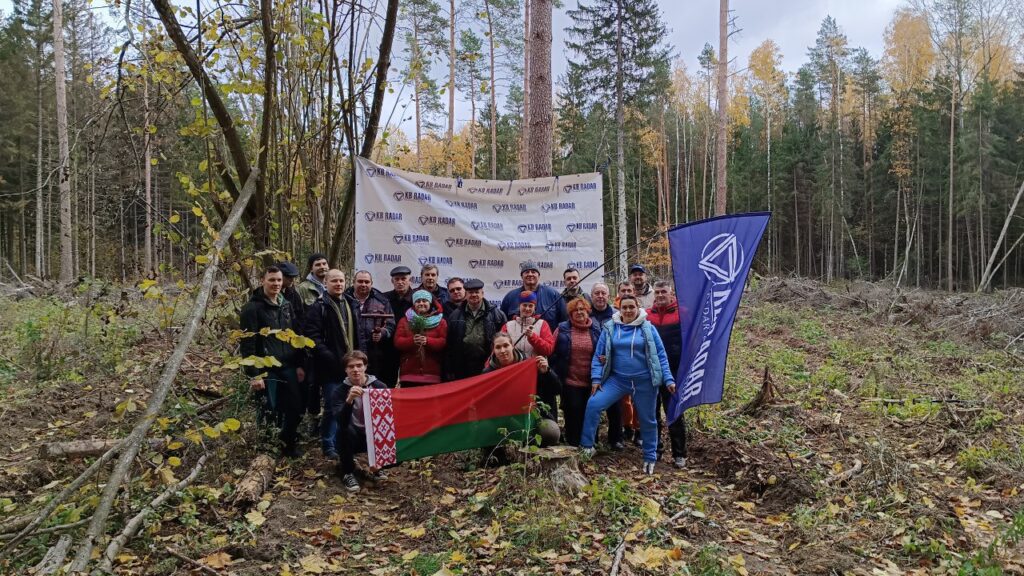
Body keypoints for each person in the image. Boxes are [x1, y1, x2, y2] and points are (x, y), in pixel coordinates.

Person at [580, 295, 676, 475]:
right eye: (624, 307)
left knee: (648, 420)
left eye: (632, 307)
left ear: (638, 307)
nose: (628, 310)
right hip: (617, 379)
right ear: (619, 308)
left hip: (644, 381)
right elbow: (599, 355)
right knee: (594, 404)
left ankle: (649, 456)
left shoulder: (648, 328)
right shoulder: (610, 328)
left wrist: (668, 378)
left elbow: (660, 355)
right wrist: (596, 379)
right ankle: (587, 446)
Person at [239, 266, 304, 457]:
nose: (276, 284)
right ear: (262, 280)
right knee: (268, 409)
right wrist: (254, 374)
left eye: (278, 280)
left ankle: (287, 444)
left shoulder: (286, 304)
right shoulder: (252, 308)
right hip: (266, 369)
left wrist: (300, 364)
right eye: (272, 280)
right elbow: (248, 344)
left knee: (295, 407)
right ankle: (267, 450)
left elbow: (294, 336)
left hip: (288, 365)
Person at [304, 269, 363, 460]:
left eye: (341, 280)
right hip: (331, 369)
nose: (338, 284)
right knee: (332, 407)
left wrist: (362, 360)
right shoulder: (319, 307)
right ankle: (328, 444)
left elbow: (359, 334)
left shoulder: (351, 304)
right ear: (326, 283)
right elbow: (313, 338)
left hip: (353, 366)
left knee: (351, 406)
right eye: (334, 281)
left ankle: (343, 442)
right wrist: (334, 359)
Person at [551, 297, 622, 448]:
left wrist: (605, 358)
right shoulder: (562, 328)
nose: (579, 312)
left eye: (582, 309)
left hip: (592, 380)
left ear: (588, 311)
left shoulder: (596, 329)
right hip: (569, 380)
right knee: (573, 411)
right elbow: (551, 350)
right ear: (570, 313)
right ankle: (573, 444)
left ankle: (590, 444)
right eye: (575, 310)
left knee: (590, 411)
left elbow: (605, 349)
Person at [330, 351, 388, 492]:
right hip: (352, 436)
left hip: (373, 435)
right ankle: (347, 472)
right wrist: (349, 400)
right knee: (344, 430)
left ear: (365, 367)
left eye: (359, 365)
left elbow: (389, 416)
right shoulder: (339, 391)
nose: (355, 370)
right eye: (351, 367)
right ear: (346, 370)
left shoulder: (379, 386)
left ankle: (377, 466)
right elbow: (341, 421)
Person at [647, 280, 687, 468]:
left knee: (674, 413)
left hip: (674, 373)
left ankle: (680, 453)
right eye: (657, 292)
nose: (660, 295)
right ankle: (655, 449)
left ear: (671, 294)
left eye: (664, 292)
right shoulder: (646, 316)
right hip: (651, 373)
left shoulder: (683, 314)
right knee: (652, 413)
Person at [482, 333, 561, 423]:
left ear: (512, 346)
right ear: (493, 350)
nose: (502, 350)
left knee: (551, 432)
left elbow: (557, 389)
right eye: (498, 347)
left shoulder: (529, 365)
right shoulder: (488, 373)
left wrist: (547, 372)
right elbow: (486, 403)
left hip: (531, 412)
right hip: (502, 416)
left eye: (506, 345)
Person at [444, 279, 506, 381]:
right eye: (470, 292)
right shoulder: (454, 315)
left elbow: (504, 341)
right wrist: (449, 369)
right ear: (466, 294)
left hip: (488, 365)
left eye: (477, 292)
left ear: (482, 293)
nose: (473, 295)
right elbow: (450, 345)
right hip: (463, 366)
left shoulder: (497, 315)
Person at [345, 270, 395, 386]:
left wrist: (382, 333)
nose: (363, 284)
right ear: (353, 282)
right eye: (360, 281)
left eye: (367, 282)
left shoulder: (382, 300)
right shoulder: (344, 299)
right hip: (350, 352)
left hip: (375, 355)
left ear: (371, 283)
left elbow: (390, 324)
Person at [393, 290, 448, 387]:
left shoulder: (441, 321)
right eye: (418, 301)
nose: (421, 303)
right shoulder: (405, 320)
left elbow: (443, 341)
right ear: (414, 304)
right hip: (408, 374)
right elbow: (398, 342)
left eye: (424, 301)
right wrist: (412, 340)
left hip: (432, 374)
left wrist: (428, 341)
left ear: (430, 303)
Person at [500, 261, 567, 331]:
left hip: (547, 340)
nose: (530, 274)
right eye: (527, 272)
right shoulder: (510, 297)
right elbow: (503, 323)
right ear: (521, 276)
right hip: (516, 340)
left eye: (533, 272)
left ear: (539, 275)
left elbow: (564, 321)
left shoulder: (553, 295)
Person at [381, 266, 414, 387]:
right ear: (392, 281)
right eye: (397, 279)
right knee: (387, 382)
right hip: (388, 347)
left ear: (410, 280)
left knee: (410, 384)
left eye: (403, 278)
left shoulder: (418, 298)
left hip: (411, 347)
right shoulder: (384, 298)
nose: (400, 282)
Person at [501, 291, 555, 359]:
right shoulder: (507, 326)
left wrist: (533, 337)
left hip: (534, 367)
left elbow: (548, 350)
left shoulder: (542, 324)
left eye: (530, 306)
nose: (527, 308)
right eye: (524, 305)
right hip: (514, 367)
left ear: (534, 307)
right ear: (519, 306)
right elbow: (499, 348)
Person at [275, 261, 306, 328]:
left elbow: (300, 317)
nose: (291, 280)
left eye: (293, 277)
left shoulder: (294, 294)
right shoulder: (270, 293)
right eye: (288, 277)